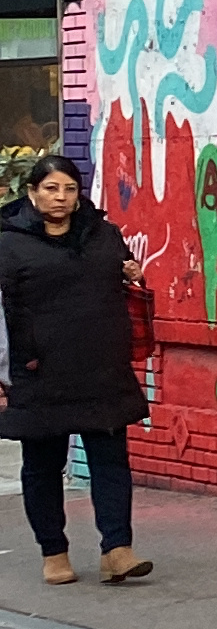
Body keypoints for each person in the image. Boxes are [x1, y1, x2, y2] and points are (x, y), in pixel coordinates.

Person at [0, 154, 151, 585]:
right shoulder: (9, 244)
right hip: (39, 373)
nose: (61, 198)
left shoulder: (103, 235)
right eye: (50, 189)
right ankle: (54, 551)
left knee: (111, 462)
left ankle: (117, 549)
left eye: (68, 188)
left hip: (101, 369)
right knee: (43, 464)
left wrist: (134, 274)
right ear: (31, 193)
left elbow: (126, 283)